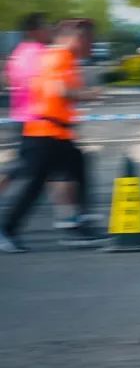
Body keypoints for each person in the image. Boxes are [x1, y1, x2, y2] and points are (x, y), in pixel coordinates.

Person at [0, 20, 109, 253]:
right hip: (44, 133)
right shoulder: (59, 57)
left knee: (78, 164)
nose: (91, 45)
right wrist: (89, 94)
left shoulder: (61, 57)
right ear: (76, 39)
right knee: (34, 185)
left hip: (56, 132)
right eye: (89, 40)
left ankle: (78, 225)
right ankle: (7, 229)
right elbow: (59, 90)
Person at [0, 13, 51, 197]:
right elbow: (40, 84)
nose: (49, 30)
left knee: (41, 167)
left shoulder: (18, 52)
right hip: (37, 119)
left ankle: (70, 210)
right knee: (26, 166)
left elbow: (7, 79)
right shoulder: (39, 53)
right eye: (45, 27)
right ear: (33, 31)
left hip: (24, 117)